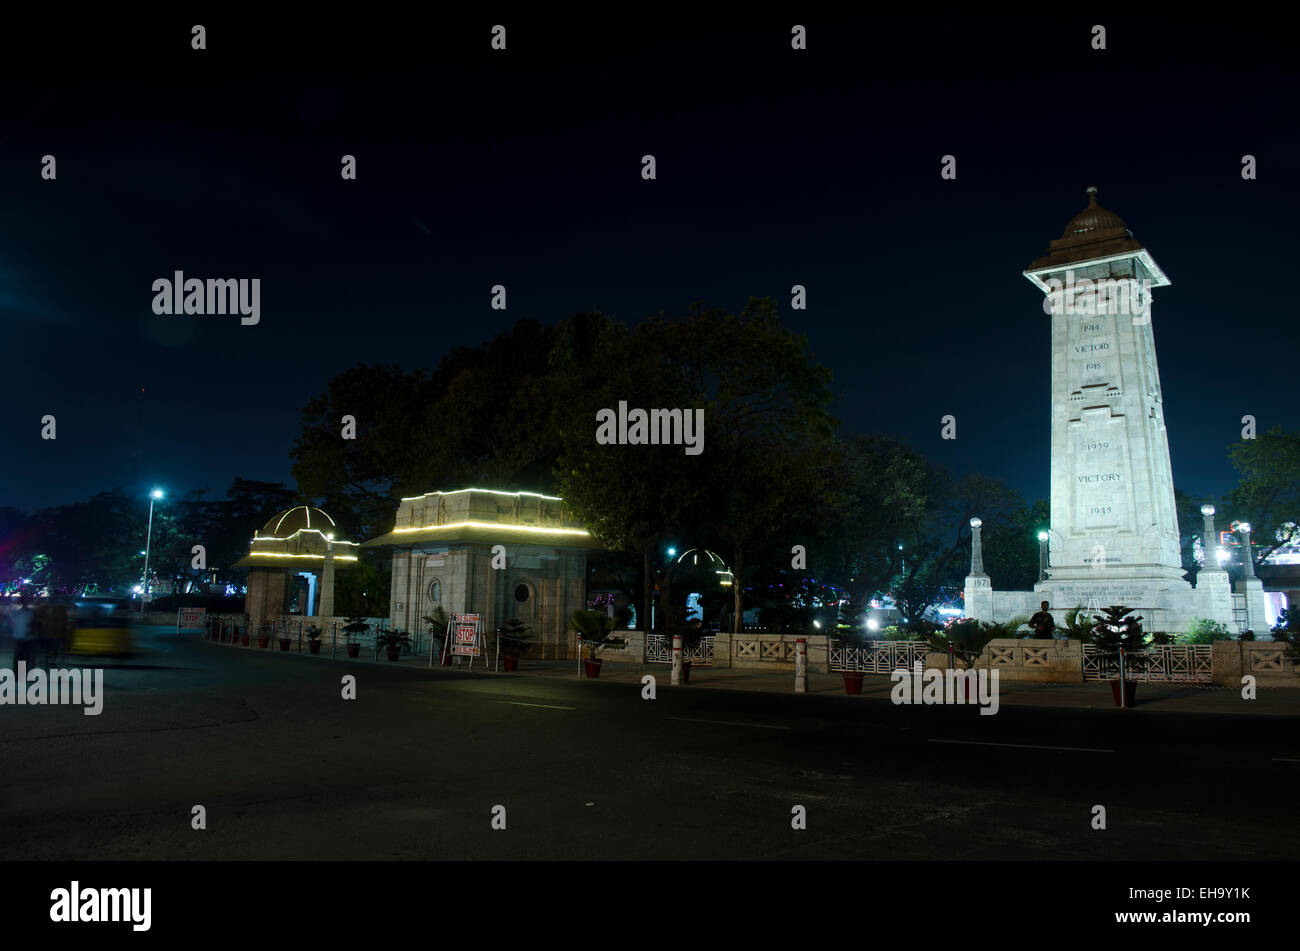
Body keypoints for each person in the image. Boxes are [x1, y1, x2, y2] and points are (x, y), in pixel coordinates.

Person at [10, 596, 38, 670]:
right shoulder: (31, 612)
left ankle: (17, 673)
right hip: (27, 637)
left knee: (19, 656)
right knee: (24, 656)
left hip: (20, 637)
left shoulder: (15, 612)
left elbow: (13, 623)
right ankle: (21, 673)